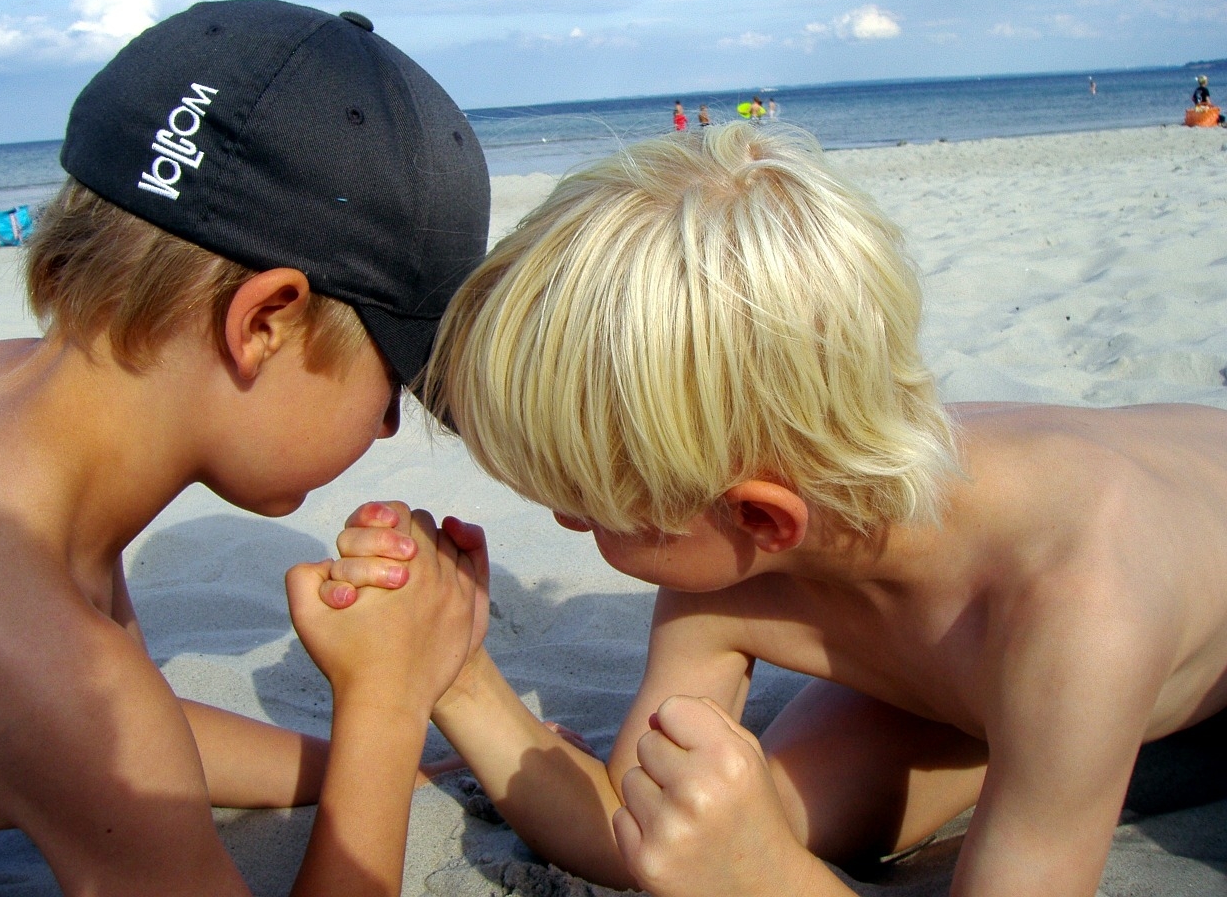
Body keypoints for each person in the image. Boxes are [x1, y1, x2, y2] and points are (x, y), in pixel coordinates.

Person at [345, 120, 1227, 897]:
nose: (567, 526)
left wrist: (768, 877)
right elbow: (632, 830)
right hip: (957, 679)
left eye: (587, 512)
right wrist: (456, 674)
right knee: (717, 818)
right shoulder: (730, 547)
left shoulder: (1077, 606)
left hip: (1147, 585)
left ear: (760, 519)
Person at [0, 0, 492, 897]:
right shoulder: (47, 659)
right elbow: (93, 723)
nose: (387, 426)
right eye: (393, 378)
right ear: (266, 323)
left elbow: (134, 745)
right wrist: (387, 706)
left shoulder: (16, 434)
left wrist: (372, 767)